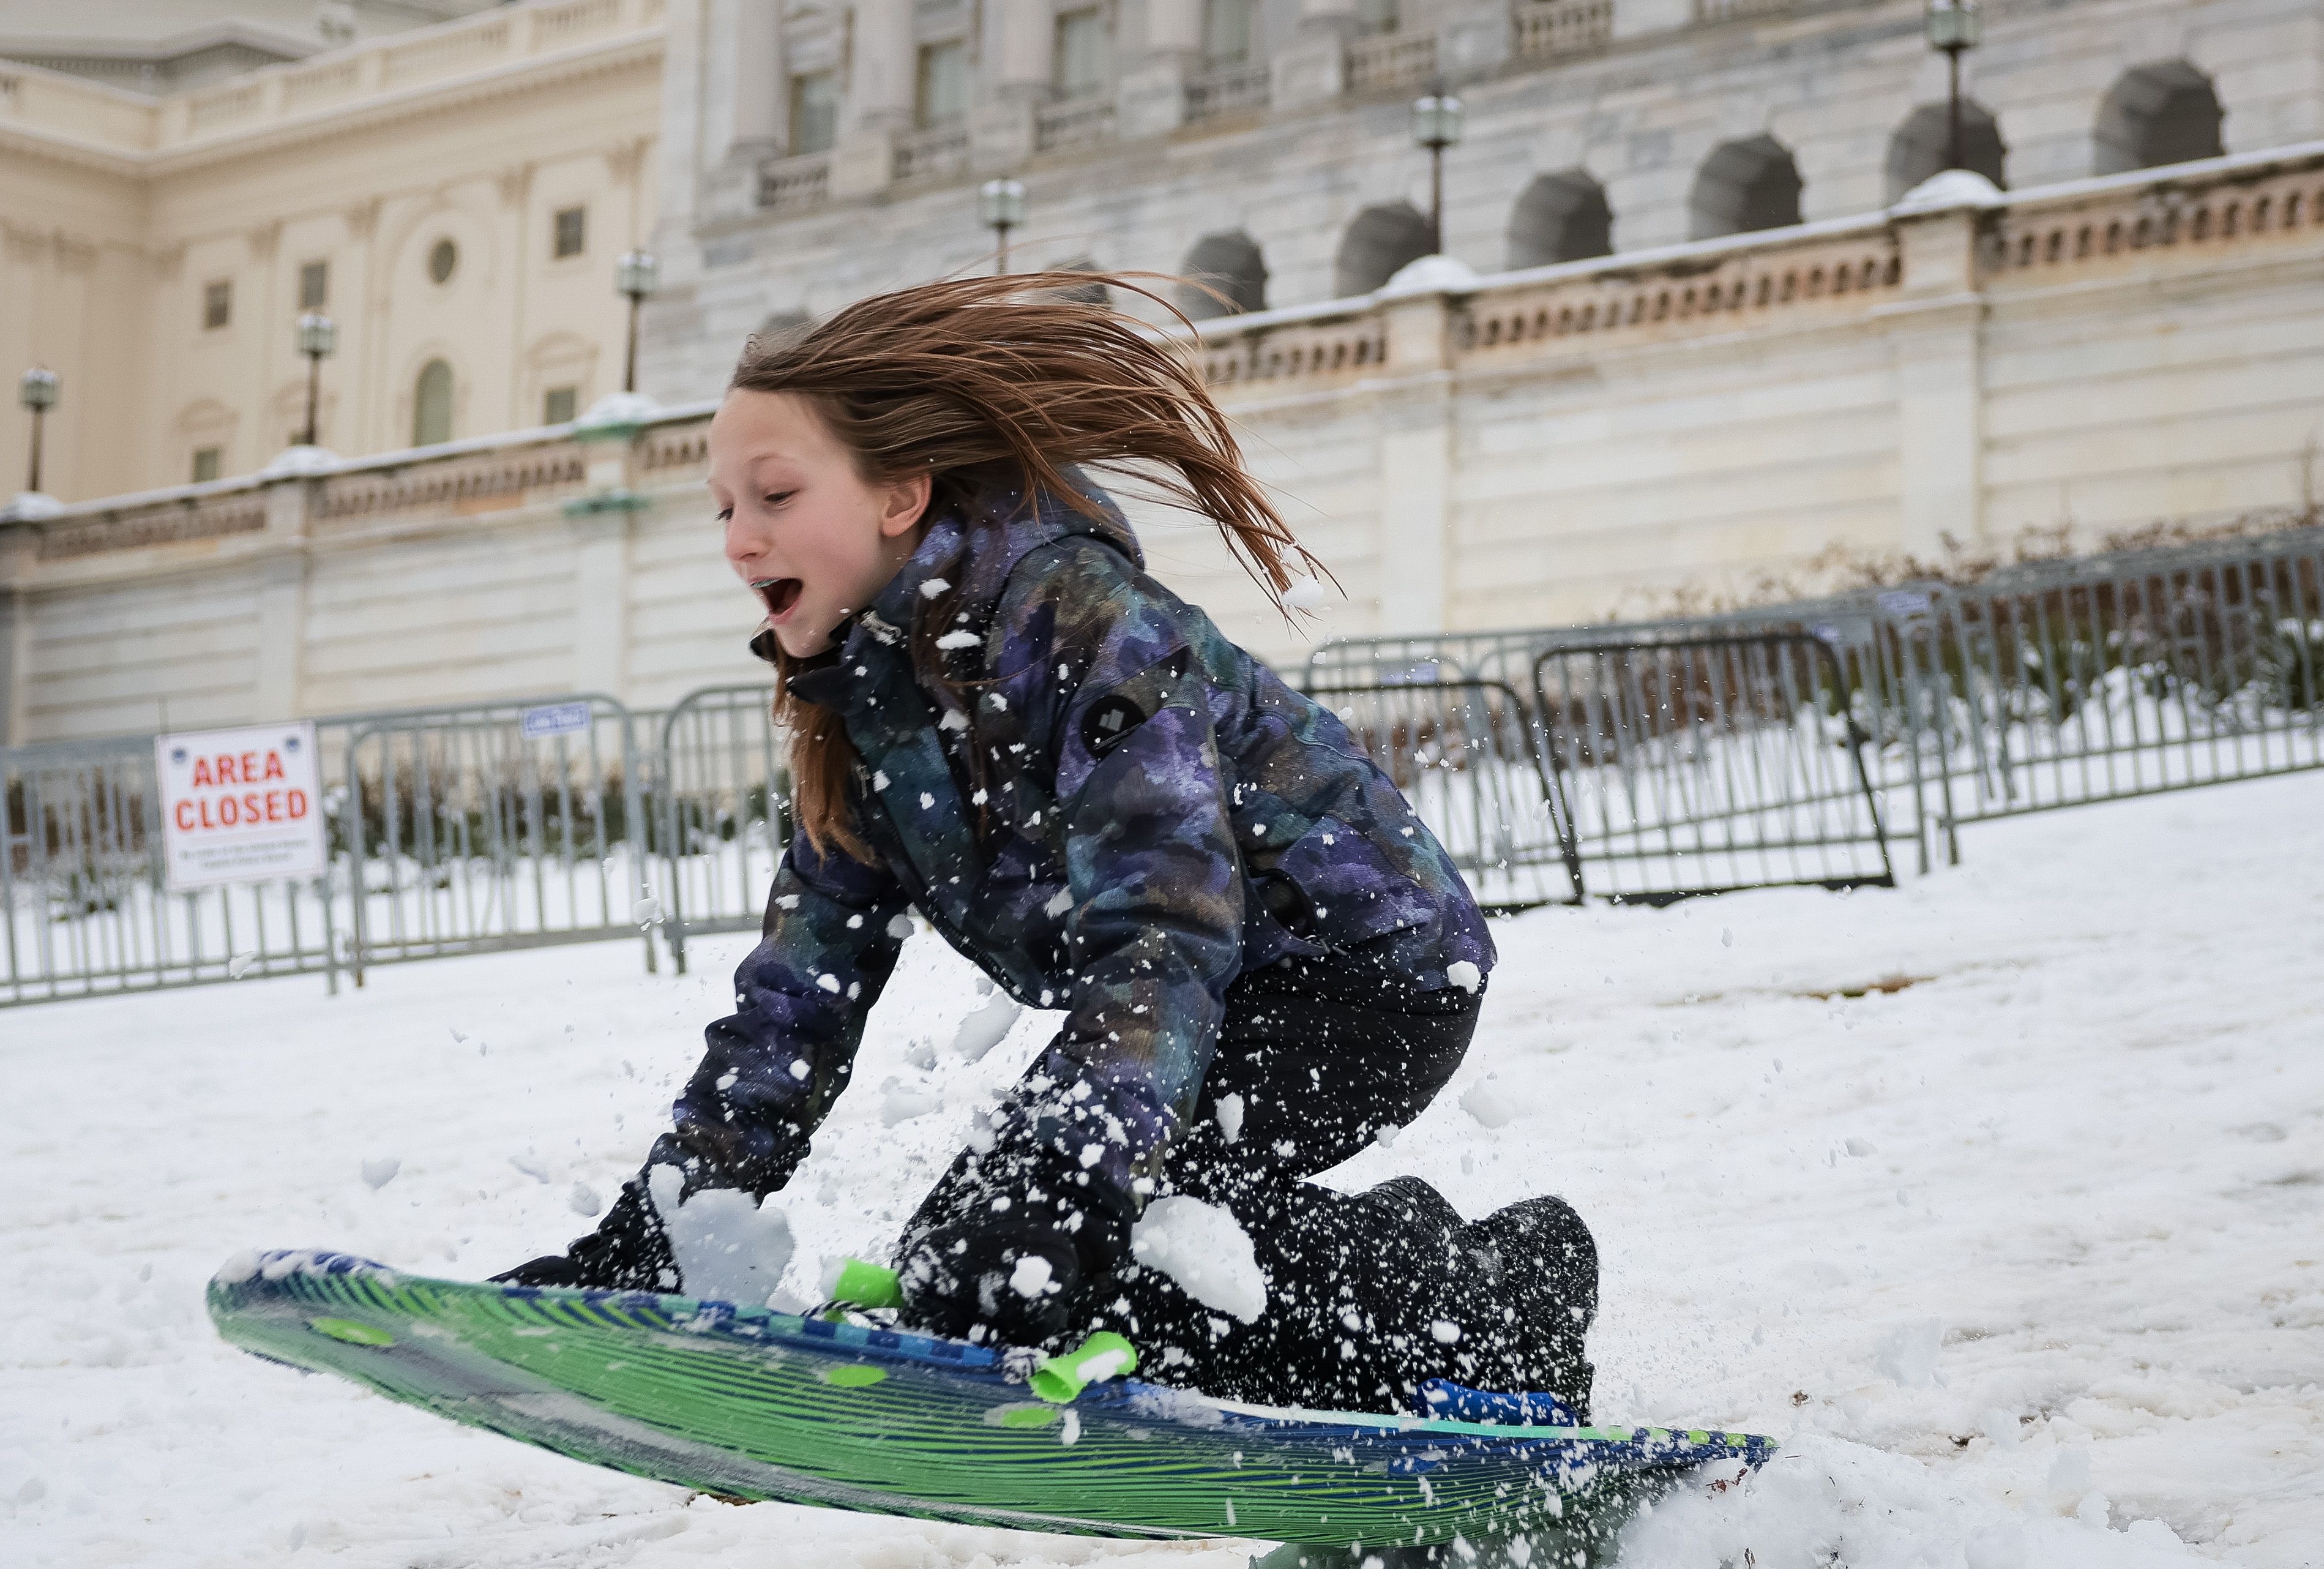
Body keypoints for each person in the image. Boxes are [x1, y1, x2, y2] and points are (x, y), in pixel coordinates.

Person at [499, 273, 1599, 1417]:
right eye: (722, 508)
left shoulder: (1072, 613)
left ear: (899, 495)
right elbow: (799, 995)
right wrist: (672, 1218)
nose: (740, 539)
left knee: (1085, 1257)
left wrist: (1073, 1172)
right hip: (1190, 998)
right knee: (969, 1275)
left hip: (1360, 973)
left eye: (773, 494)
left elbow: (1168, 924)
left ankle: (1504, 1301)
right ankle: (1365, 1318)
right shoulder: (871, 706)